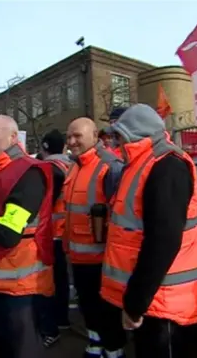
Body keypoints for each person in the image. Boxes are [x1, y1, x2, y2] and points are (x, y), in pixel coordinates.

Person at [101, 104, 197, 358]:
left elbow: (162, 242)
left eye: (119, 137)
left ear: (134, 136)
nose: (115, 144)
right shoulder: (143, 163)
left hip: (164, 303)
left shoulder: (166, 165)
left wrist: (135, 303)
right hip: (155, 299)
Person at [0, 115, 54, 358]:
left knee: (22, 347)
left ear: (14, 137)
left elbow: (7, 234)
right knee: (3, 341)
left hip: (19, 284)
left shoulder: (27, 172)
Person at [64, 117, 125, 358]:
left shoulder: (110, 166)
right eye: (69, 137)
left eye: (77, 136)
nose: (71, 141)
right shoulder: (75, 166)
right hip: (79, 257)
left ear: (95, 136)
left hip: (103, 259)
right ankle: (95, 342)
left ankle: (114, 349)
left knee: (107, 309)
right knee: (88, 305)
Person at [34, 129, 73, 347]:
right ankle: (63, 318)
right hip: (67, 230)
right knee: (62, 279)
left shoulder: (49, 169)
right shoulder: (71, 165)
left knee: (50, 280)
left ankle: (53, 325)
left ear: (45, 147)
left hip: (52, 231)